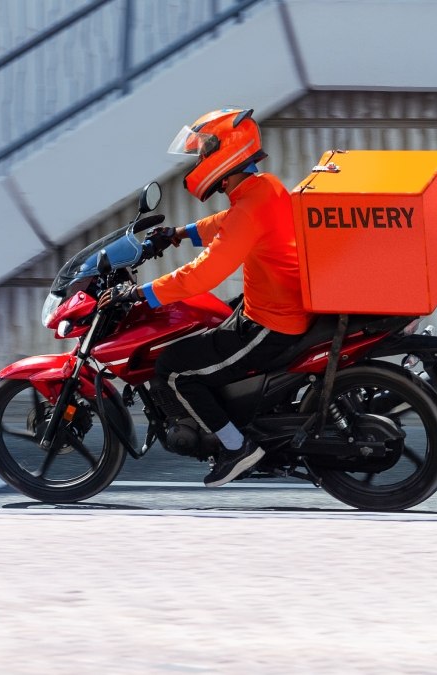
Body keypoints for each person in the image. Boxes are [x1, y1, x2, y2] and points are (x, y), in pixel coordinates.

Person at [98, 107, 311, 487]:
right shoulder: (263, 188)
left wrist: (140, 293)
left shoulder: (250, 206)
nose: (198, 160)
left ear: (224, 153)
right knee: (204, 330)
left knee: (175, 369)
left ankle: (237, 448)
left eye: (203, 152)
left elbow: (204, 274)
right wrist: (179, 234)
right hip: (270, 306)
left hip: (273, 323)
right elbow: (228, 225)